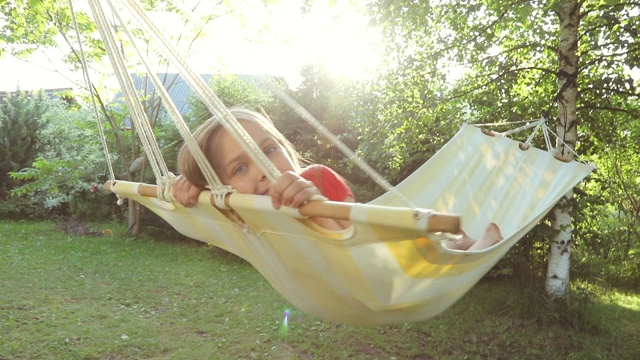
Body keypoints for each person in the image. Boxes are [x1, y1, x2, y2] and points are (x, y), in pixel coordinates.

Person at [173, 106, 503, 248]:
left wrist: (313, 203)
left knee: (441, 247)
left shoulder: (315, 176)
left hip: (379, 248)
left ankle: (473, 244)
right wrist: (190, 191)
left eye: (270, 149)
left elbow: (356, 240)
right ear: (222, 187)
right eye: (240, 168)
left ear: (286, 149)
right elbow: (214, 212)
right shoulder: (244, 207)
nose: (263, 169)